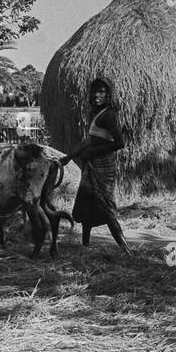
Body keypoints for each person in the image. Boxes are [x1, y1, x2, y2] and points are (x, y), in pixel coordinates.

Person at [59, 77, 130, 251]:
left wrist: (94, 152)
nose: (97, 95)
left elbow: (119, 143)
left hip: (103, 168)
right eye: (95, 91)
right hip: (91, 166)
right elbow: (88, 141)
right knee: (87, 205)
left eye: (101, 91)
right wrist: (69, 157)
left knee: (106, 208)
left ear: (108, 94)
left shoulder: (109, 115)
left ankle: (126, 249)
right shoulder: (96, 114)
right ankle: (85, 246)